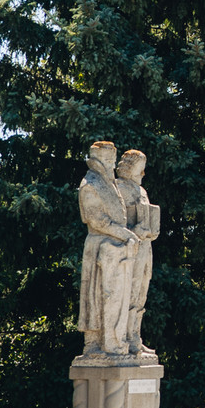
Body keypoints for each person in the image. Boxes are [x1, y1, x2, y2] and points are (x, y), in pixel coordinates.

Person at [76, 141, 137, 355]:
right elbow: (97, 220)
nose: (113, 163)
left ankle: (111, 340)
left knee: (112, 296)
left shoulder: (107, 182)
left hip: (115, 247)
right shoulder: (91, 183)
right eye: (110, 159)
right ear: (98, 160)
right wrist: (124, 233)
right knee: (98, 296)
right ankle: (98, 343)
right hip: (101, 244)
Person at [114, 149, 158, 356]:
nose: (143, 174)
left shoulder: (142, 191)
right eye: (141, 169)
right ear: (130, 168)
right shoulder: (119, 189)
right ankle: (123, 337)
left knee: (141, 293)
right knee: (129, 293)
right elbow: (116, 224)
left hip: (145, 247)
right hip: (129, 249)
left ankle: (135, 337)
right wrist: (134, 231)